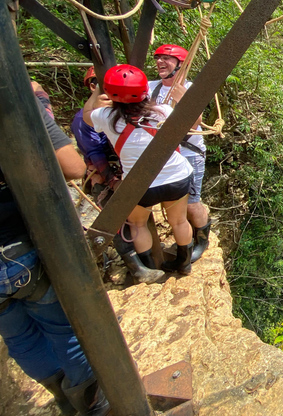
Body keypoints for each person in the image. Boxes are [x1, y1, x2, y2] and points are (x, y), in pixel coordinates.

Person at [1, 95, 110, 415]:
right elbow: (73, 167)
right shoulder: (13, 97)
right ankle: (90, 402)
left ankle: (62, 395)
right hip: (18, 244)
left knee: (17, 335)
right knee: (64, 329)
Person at [83, 64, 195, 275]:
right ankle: (184, 264)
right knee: (179, 221)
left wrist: (98, 93)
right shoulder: (163, 110)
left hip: (139, 184)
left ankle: (151, 268)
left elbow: (87, 115)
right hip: (177, 175)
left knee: (138, 225)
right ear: (144, 90)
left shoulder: (105, 116)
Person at [151, 44, 211, 263]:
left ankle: (202, 241)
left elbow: (195, 123)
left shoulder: (192, 89)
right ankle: (187, 239)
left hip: (188, 152)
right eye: (158, 58)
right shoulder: (150, 88)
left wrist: (183, 98)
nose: (160, 62)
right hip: (164, 153)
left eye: (167, 59)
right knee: (175, 202)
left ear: (180, 65)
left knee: (192, 201)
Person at [71, 67, 121, 207]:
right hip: (104, 175)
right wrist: (113, 182)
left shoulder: (120, 113)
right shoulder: (82, 120)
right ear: (93, 87)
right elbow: (95, 153)